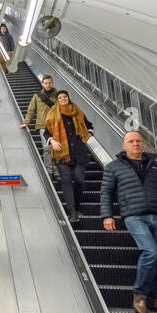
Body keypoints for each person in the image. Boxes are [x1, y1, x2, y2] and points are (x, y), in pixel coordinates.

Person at [100, 131, 157, 313]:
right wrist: (107, 216)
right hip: (134, 215)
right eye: (131, 141)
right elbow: (106, 193)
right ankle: (140, 296)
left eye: (138, 141)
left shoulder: (155, 167)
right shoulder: (113, 167)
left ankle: (156, 299)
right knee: (151, 252)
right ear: (124, 145)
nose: (135, 144)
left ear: (142, 144)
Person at [44, 90, 93, 222]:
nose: (63, 99)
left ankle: (77, 207)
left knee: (79, 180)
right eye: (60, 97)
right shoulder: (52, 114)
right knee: (66, 180)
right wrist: (52, 141)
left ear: (68, 98)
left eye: (65, 97)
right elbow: (46, 132)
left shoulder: (77, 112)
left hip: (78, 152)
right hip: (61, 153)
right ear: (57, 100)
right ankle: (72, 212)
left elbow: (89, 126)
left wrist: (86, 136)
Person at [20, 73, 63, 148]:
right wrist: (26, 122)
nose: (48, 85)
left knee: (58, 148)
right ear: (42, 84)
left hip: (56, 125)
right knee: (46, 148)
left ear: (52, 83)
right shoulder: (37, 97)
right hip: (43, 125)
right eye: (46, 83)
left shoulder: (59, 96)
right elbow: (31, 110)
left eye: (49, 83)